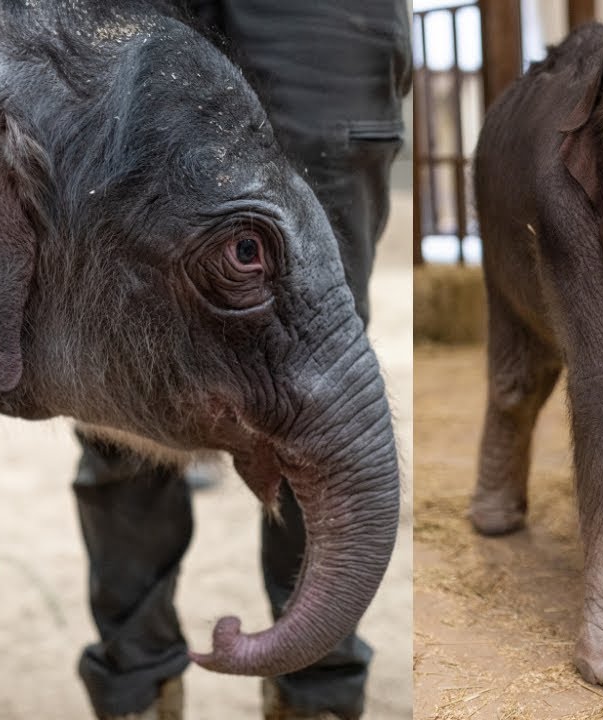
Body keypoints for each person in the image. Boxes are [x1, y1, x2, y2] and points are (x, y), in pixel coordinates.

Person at [70, 2, 411, 718]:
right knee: (118, 371)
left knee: (318, 387)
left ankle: (313, 689)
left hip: (316, 20)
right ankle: (137, 686)